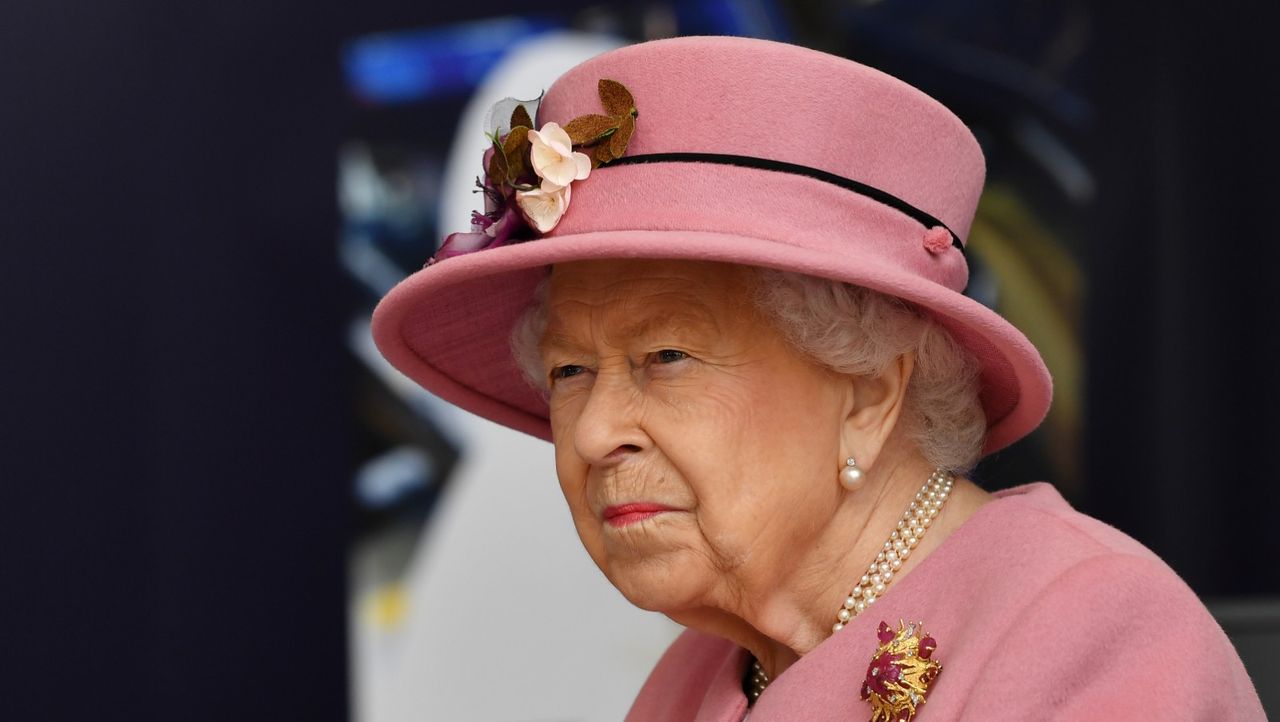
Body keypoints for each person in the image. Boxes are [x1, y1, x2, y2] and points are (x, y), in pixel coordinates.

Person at [372, 35, 1264, 720]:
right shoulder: (700, 680)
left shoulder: (1085, 637)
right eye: (569, 370)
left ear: (870, 391)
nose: (598, 431)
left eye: (667, 358)